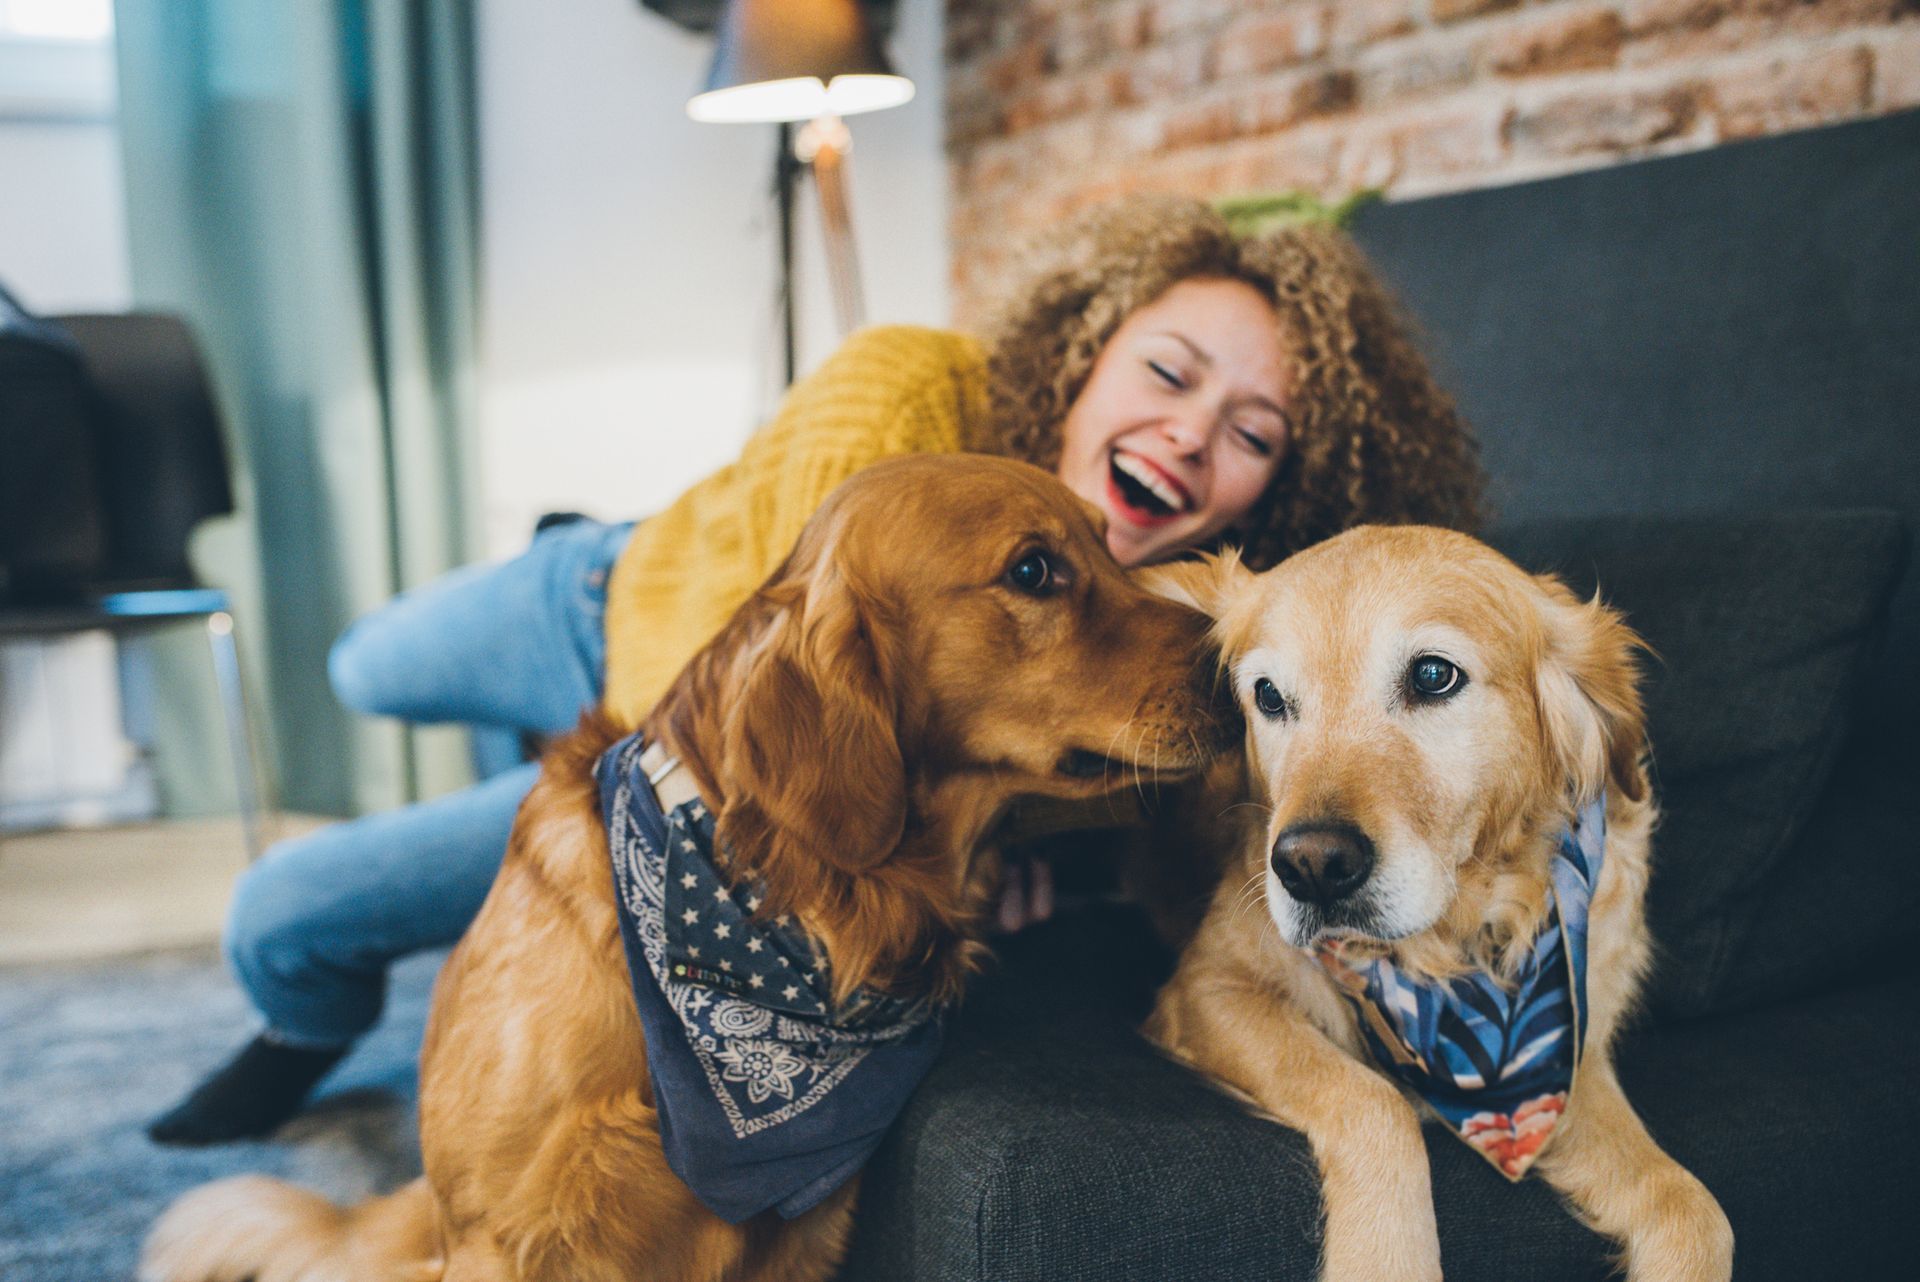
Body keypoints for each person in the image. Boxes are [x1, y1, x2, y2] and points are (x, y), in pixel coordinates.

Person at [148, 194, 1486, 1145]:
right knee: (360, 661)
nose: (1190, 437)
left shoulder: (1190, 644)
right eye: (1168, 372)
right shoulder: (903, 395)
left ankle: (296, 1025)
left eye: (1249, 432)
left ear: (1276, 485)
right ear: (1086, 352)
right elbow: (755, 703)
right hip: (633, 607)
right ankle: (559, 568)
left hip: (701, 760)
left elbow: (1134, 815)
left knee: (291, 910)